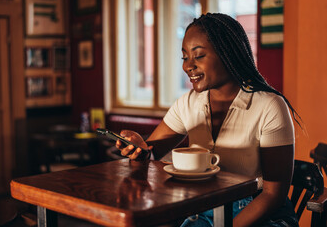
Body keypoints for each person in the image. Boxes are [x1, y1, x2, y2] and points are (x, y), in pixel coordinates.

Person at [116, 13, 300, 227]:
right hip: (205, 208)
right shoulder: (188, 103)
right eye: (185, 57)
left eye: (199, 56)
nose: (187, 66)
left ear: (228, 54)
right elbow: (150, 153)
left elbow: (273, 195)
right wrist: (139, 149)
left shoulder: (269, 106)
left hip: (259, 212)